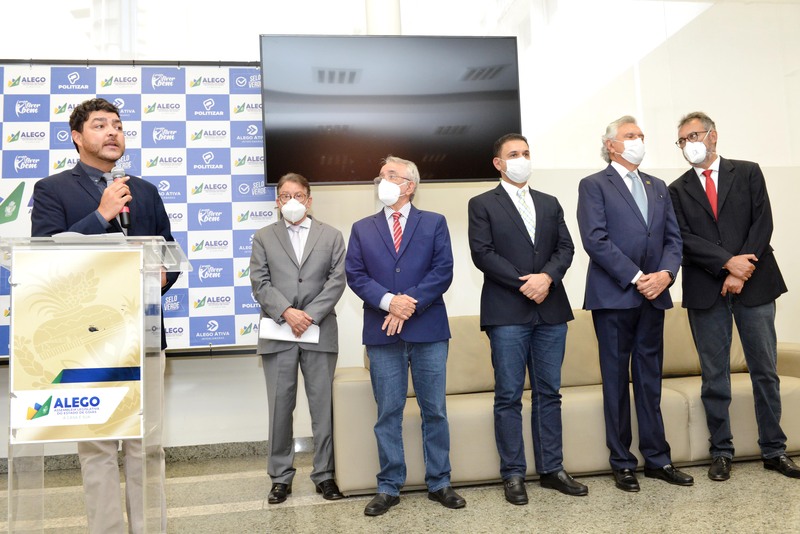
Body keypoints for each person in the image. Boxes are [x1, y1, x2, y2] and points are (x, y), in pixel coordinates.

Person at [30, 97, 178, 533]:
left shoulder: (145, 191)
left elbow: (169, 253)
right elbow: (46, 258)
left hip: (143, 335)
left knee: (146, 445)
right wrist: (101, 215)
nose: (113, 131)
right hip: (87, 341)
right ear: (77, 137)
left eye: (117, 125)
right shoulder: (52, 189)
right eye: (100, 125)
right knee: (97, 448)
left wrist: (162, 274)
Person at [668, 111, 797, 481]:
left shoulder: (748, 172)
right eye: (682, 140)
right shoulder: (676, 190)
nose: (689, 144)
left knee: (765, 371)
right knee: (714, 376)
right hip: (706, 289)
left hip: (755, 285)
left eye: (694, 135)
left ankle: (774, 450)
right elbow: (683, 239)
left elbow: (762, 223)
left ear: (713, 135)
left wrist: (742, 270)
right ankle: (721, 452)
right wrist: (727, 265)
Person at [467, 133, 587, 505]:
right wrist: (526, 283)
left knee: (549, 393)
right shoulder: (482, 204)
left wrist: (546, 278)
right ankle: (514, 474)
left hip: (550, 309)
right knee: (508, 396)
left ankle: (552, 469)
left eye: (526, 153)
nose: (522, 159)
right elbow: (482, 253)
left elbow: (566, 247)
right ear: (498, 163)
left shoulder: (549, 203)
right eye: (514, 154)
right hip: (507, 312)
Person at [576, 115, 693, 492]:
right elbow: (595, 239)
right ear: (611, 145)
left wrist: (666, 275)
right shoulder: (594, 185)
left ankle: (658, 459)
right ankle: (622, 462)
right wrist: (637, 276)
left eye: (641, 135)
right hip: (614, 296)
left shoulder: (657, 186)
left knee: (649, 380)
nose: (638, 140)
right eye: (630, 135)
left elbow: (673, 239)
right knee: (615, 381)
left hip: (655, 296)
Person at [345, 155, 465, 516]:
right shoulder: (362, 228)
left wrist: (406, 305)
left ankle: (440, 482)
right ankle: (389, 485)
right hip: (382, 332)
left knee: (435, 410)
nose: (382, 180)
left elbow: (442, 270)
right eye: (380, 175)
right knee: (388, 412)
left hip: (428, 330)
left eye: (391, 175)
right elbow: (356, 274)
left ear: (409, 185)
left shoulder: (434, 222)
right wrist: (389, 302)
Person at [249, 172, 347, 503]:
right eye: (285, 196)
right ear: (277, 201)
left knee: (323, 408)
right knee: (280, 407)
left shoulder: (331, 236)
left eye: (298, 196)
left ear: (309, 199)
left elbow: (337, 281)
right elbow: (260, 282)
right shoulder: (263, 236)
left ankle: (326, 474)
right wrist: (287, 312)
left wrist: (309, 315)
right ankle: (280, 477)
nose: (292, 201)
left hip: (319, 331)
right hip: (278, 332)